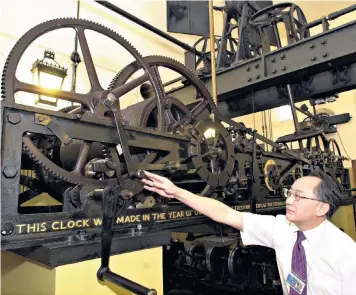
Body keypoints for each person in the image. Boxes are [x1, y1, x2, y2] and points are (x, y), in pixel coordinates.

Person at [141, 168, 356, 295]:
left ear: (322, 207)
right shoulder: (282, 229)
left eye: (298, 197)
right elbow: (227, 215)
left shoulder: (346, 253)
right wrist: (176, 191)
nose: (288, 200)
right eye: (289, 193)